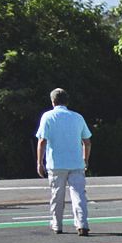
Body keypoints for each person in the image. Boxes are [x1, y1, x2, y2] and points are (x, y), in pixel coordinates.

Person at [35, 88, 93, 235]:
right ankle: (82, 223)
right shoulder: (78, 117)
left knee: (57, 195)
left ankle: (57, 224)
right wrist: (85, 159)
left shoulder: (47, 116)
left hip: (56, 163)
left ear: (53, 101)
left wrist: (39, 162)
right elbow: (87, 141)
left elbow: (42, 141)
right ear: (67, 101)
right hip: (76, 163)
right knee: (79, 194)